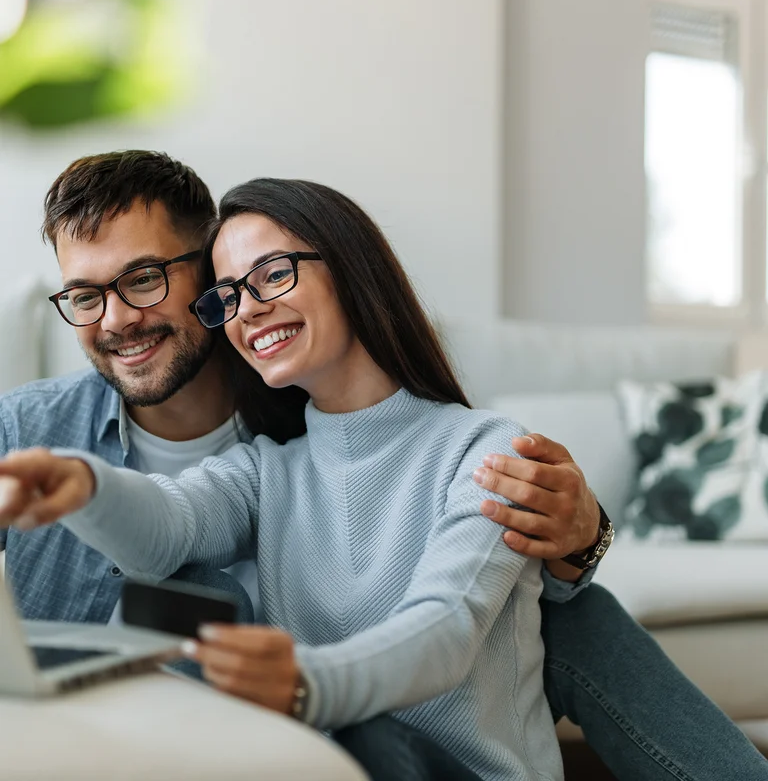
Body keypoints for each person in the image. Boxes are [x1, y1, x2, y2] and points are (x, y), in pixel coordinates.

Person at [0, 152, 764, 780]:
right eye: (83, 296)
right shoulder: (258, 465)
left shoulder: (458, 443)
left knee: (564, 619)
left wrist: (583, 539)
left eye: (141, 280)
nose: (117, 319)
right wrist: (85, 484)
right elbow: (170, 524)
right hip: (231, 730)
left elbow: (446, 620)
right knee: (197, 598)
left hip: (377, 728)